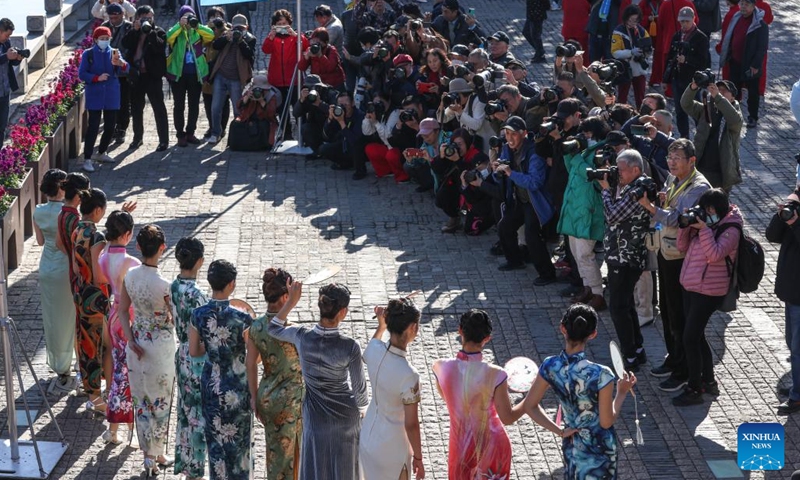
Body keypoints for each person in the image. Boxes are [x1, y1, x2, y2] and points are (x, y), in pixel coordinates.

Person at [520, 304, 637, 478]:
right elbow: (606, 422)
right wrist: (621, 393)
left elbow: (530, 406)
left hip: (572, 445)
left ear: (563, 328)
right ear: (593, 334)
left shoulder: (550, 366)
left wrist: (560, 431)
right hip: (600, 450)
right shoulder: (602, 374)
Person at [268, 281, 368, 480]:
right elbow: (360, 393)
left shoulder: (302, 337)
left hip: (315, 419)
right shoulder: (350, 346)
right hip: (346, 420)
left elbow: (273, 328)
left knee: (316, 470)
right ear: (343, 312)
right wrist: (364, 412)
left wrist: (291, 301)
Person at [637, 139, 710, 392]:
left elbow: (680, 219)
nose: (672, 163)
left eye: (677, 158)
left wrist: (650, 207)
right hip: (667, 251)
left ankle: (684, 369)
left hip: (683, 257)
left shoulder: (698, 187)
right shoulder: (673, 178)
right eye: (670, 157)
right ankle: (674, 356)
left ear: (692, 161)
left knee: (680, 313)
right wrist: (660, 202)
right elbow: (669, 205)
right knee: (667, 310)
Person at [433, 309, 524, 478]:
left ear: (460, 331)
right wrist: (527, 402)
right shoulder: (496, 374)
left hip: (460, 448)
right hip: (493, 445)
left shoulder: (441, 367)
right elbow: (507, 417)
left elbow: (448, 398)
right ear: (487, 338)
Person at [673, 188, 741, 405]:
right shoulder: (706, 224)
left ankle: (695, 389)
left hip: (709, 291)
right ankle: (709, 381)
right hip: (691, 286)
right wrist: (686, 226)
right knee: (697, 336)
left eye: (709, 210)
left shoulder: (731, 228)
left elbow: (715, 254)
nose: (706, 213)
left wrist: (703, 229)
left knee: (690, 338)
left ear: (718, 209)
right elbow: (681, 247)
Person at [119, 224, 174, 475]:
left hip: (137, 345)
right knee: (160, 401)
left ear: (138, 246)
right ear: (162, 248)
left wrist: (130, 339)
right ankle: (154, 456)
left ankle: (151, 454)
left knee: (141, 401)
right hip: (160, 349)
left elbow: (122, 311)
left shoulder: (130, 276)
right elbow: (175, 317)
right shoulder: (164, 285)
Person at [190, 260, 253, 480]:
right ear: (231, 284)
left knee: (215, 443)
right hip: (236, 386)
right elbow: (254, 357)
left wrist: (213, 346)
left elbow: (194, 351)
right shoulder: (243, 317)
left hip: (211, 384)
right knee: (239, 444)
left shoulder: (198, 314)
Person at [246, 268, 303, 480]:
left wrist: (254, 397)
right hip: (291, 402)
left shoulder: (256, 326)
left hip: (267, 398)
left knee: (274, 454)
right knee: (293, 458)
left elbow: (250, 363)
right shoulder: (293, 330)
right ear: (286, 296)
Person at [360, 298, 424, 480]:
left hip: (368, 437)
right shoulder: (409, 375)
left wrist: (381, 327)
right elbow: (411, 424)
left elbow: (370, 348)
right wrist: (418, 457)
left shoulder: (374, 349)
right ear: (413, 327)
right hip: (392, 448)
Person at [599, 149, 651, 370]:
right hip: (621, 255)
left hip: (625, 257)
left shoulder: (638, 190)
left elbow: (612, 216)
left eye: (620, 170)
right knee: (626, 304)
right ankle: (637, 349)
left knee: (618, 307)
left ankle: (629, 356)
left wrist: (606, 190)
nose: (616, 173)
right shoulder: (631, 186)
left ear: (635, 169)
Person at [494, 116, 557, 285]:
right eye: (507, 133)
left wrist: (510, 173)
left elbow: (535, 182)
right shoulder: (507, 148)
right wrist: (497, 170)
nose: (509, 138)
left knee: (532, 235)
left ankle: (547, 274)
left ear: (524, 134)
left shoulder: (534, 152)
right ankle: (515, 261)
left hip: (536, 201)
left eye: (514, 134)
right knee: (504, 226)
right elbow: (501, 175)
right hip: (520, 199)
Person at [558, 118, 610, 310]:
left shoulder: (601, 151)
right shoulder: (584, 151)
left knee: (585, 255)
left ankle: (598, 294)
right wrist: (569, 153)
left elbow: (591, 174)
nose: (584, 136)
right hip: (575, 208)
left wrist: (577, 157)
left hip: (589, 210)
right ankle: (587, 287)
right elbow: (572, 169)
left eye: (587, 133)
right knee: (576, 254)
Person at [97, 210, 139, 445]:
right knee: (130, 372)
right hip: (128, 316)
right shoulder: (132, 263)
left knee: (118, 372)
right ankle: (132, 427)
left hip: (113, 314)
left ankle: (113, 429)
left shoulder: (103, 259)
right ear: (127, 234)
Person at [33, 169, 75, 391]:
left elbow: (40, 242)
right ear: (61, 188)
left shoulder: (38, 210)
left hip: (46, 268)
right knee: (71, 316)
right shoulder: (67, 213)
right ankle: (72, 360)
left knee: (52, 318)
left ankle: (60, 364)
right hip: (64, 267)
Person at [170, 237, 208, 480]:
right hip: (196, 359)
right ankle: (195, 470)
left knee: (184, 413)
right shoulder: (198, 295)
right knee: (198, 415)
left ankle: (186, 464)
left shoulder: (174, 286)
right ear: (200, 261)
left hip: (181, 352)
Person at [72, 188, 111, 415]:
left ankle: (92, 394)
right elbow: (99, 276)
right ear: (97, 210)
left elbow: (76, 266)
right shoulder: (97, 237)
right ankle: (97, 398)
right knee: (97, 346)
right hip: (95, 297)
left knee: (85, 343)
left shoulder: (77, 230)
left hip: (80, 292)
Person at [766, 188, 800, 414]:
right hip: (792, 291)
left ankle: (797, 396)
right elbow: (772, 235)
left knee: (797, 347)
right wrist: (781, 216)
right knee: (792, 343)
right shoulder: (795, 208)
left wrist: (796, 224)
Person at [79, 26, 129, 172]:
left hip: (111, 94)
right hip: (95, 94)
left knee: (110, 126)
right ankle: (87, 158)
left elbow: (126, 68)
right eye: (102, 39)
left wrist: (121, 64)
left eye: (107, 39)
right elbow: (82, 74)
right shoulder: (88, 54)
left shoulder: (114, 52)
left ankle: (102, 152)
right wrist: (96, 78)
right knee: (93, 127)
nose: (105, 41)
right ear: (96, 40)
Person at [680, 80, 744, 191]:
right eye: (718, 89)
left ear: (733, 98)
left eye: (724, 90)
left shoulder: (736, 116)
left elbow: (734, 119)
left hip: (720, 172)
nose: (720, 92)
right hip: (700, 167)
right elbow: (686, 104)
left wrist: (718, 97)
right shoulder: (706, 109)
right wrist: (693, 86)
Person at [122, 5, 170, 152]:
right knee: (136, 108)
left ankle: (163, 140)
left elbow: (159, 48)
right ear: (138, 18)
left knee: (158, 108)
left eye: (150, 18)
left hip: (152, 75)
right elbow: (125, 44)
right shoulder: (133, 31)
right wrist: (135, 30)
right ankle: (137, 138)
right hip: (137, 75)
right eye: (144, 18)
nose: (147, 20)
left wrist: (150, 32)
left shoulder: (159, 31)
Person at [166, 6, 214, 147]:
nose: (188, 19)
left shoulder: (197, 31)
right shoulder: (177, 31)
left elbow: (210, 35)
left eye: (190, 16)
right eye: (185, 16)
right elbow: (168, 37)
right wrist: (179, 25)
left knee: (194, 105)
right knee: (179, 105)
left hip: (195, 74)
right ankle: (180, 134)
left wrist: (197, 26)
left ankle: (190, 132)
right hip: (178, 75)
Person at [207, 14, 257, 144]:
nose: (238, 31)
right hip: (221, 75)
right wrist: (226, 38)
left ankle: (237, 136)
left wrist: (241, 41)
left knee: (237, 109)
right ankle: (216, 133)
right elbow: (215, 46)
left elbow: (249, 55)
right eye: (236, 28)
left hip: (236, 79)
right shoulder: (227, 35)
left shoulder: (250, 39)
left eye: (241, 28)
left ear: (246, 27)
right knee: (215, 108)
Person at [718, 0, 769, 128]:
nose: (743, 7)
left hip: (751, 65)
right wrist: (728, 54)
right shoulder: (736, 19)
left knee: (753, 92)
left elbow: (762, 48)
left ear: (753, 6)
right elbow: (730, 37)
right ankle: (732, 114)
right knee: (733, 89)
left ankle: (752, 117)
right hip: (735, 61)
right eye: (742, 4)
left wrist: (755, 65)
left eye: (747, 4)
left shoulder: (760, 24)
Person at [262, 9, 309, 139]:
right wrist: (270, 37)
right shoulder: (273, 38)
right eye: (279, 24)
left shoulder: (295, 36)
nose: (282, 26)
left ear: (289, 24)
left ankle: (304, 135)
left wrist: (295, 35)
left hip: (294, 80)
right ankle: (286, 135)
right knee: (282, 110)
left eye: (284, 23)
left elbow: (305, 46)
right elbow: (265, 50)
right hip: (277, 81)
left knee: (299, 108)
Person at [664, 7, 709, 139]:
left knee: (695, 110)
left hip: (692, 81)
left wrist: (687, 60)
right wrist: (665, 79)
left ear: (693, 19)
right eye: (682, 21)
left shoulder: (701, 37)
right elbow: (670, 58)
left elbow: (704, 62)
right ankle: (684, 137)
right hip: (677, 78)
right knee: (679, 110)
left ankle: (701, 137)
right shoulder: (677, 35)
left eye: (687, 21)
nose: (684, 24)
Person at [433, 128, 489, 233]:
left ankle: (487, 218)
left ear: (467, 143)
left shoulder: (478, 156)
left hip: (477, 195)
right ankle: (455, 218)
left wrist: (458, 161)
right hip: (461, 189)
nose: (457, 147)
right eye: (454, 144)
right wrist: (441, 157)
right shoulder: (452, 152)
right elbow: (437, 169)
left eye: (460, 144)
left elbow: (471, 178)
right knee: (442, 196)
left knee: (471, 230)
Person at [101, 4, 133, 144]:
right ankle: (111, 127)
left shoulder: (128, 27)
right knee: (109, 102)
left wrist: (122, 60)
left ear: (122, 14)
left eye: (116, 17)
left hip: (123, 70)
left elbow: (132, 47)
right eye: (111, 18)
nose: (113, 20)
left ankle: (122, 128)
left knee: (124, 102)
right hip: (108, 71)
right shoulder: (104, 26)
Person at [611, 5, 650, 109]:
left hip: (639, 69)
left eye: (635, 20)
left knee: (641, 98)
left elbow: (649, 48)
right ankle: (620, 115)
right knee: (622, 97)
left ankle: (641, 115)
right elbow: (615, 52)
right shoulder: (618, 32)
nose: (632, 23)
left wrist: (646, 52)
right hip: (625, 68)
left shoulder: (642, 31)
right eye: (630, 20)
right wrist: (631, 52)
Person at [653, 0, 696, 89]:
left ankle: (668, 90)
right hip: (686, 43)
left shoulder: (665, 4)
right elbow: (696, 21)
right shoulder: (689, 3)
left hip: (668, 41)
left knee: (669, 68)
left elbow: (660, 22)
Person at [202, 7, 231, 141]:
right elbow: (206, 42)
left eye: (218, 16)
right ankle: (212, 126)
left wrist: (221, 28)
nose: (216, 19)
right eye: (213, 17)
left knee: (223, 102)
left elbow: (225, 41)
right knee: (208, 100)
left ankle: (222, 128)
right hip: (208, 69)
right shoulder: (205, 29)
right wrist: (210, 27)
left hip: (223, 69)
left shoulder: (227, 29)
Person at [321, 92, 365, 175]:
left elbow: (354, 141)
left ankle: (360, 170)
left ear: (352, 103)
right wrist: (330, 119)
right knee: (324, 149)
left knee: (356, 147)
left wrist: (341, 122)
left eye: (346, 105)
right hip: (344, 145)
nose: (344, 108)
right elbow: (326, 136)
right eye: (341, 105)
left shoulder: (360, 116)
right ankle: (345, 164)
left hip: (358, 149)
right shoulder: (338, 113)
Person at [299, 28, 345, 92]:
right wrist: (306, 57)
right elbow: (301, 67)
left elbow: (330, 68)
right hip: (319, 84)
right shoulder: (311, 50)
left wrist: (320, 56)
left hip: (334, 84)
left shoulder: (331, 50)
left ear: (326, 42)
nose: (315, 44)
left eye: (318, 42)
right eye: (313, 41)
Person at [0, 19, 21, 139]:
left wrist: (17, 58)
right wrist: (6, 56)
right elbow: (4, 58)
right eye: (7, 35)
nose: (8, 38)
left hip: (5, 91)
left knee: (3, 126)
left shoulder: (6, 43)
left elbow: (10, 63)